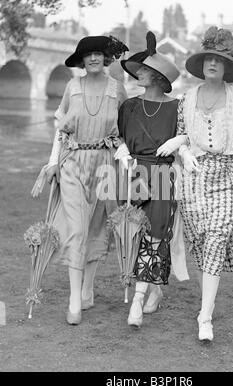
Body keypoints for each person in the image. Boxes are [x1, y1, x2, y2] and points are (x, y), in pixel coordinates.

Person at [32, 35, 128, 325]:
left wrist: (126, 163)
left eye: (99, 53)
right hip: (73, 164)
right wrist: (52, 163)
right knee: (76, 230)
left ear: (106, 58)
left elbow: (126, 132)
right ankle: (75, 298)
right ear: (82, 60)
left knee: (98, 227)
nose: (94, 58)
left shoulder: (118, 89)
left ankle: (88, 290)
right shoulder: (72, 87)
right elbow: (61, 129)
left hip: (105, 165)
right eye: (88, 55)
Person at [176, 26, 233, 342]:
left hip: (227, 177)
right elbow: (182, 136)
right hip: (194, 181)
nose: (213, 63)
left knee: (216, 239)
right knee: (201, 243)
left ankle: (205, 317)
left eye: (220, 59)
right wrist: (184, 154)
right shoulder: (186, 98)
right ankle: (205, 306)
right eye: (208, 58)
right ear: (202, 63)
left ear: (227, 66)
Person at [115, 31, 189, 328]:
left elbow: (190, 136)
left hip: (162, 175)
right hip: (133, 174)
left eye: (145, 70)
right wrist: (121, 148)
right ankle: (154, 288)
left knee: (155, 234)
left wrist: (180, 139)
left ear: (159, 77)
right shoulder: (129, 106)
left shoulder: (176, 107)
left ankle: (137, 300)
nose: (138, 74)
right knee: (134, 234)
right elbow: (119, 134)